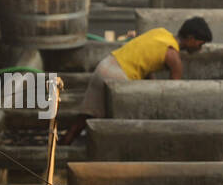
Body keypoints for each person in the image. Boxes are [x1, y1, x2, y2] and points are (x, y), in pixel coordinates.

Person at [83, 17, 213, 117]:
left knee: (86, 116)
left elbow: (145, 61)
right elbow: (173, 94)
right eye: (200, 44)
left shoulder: (161, 32)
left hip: (107, 64)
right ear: (191, 39)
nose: (199, 49)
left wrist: (152, 84)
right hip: (118, 76)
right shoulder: (174, 57)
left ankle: (66, 142)